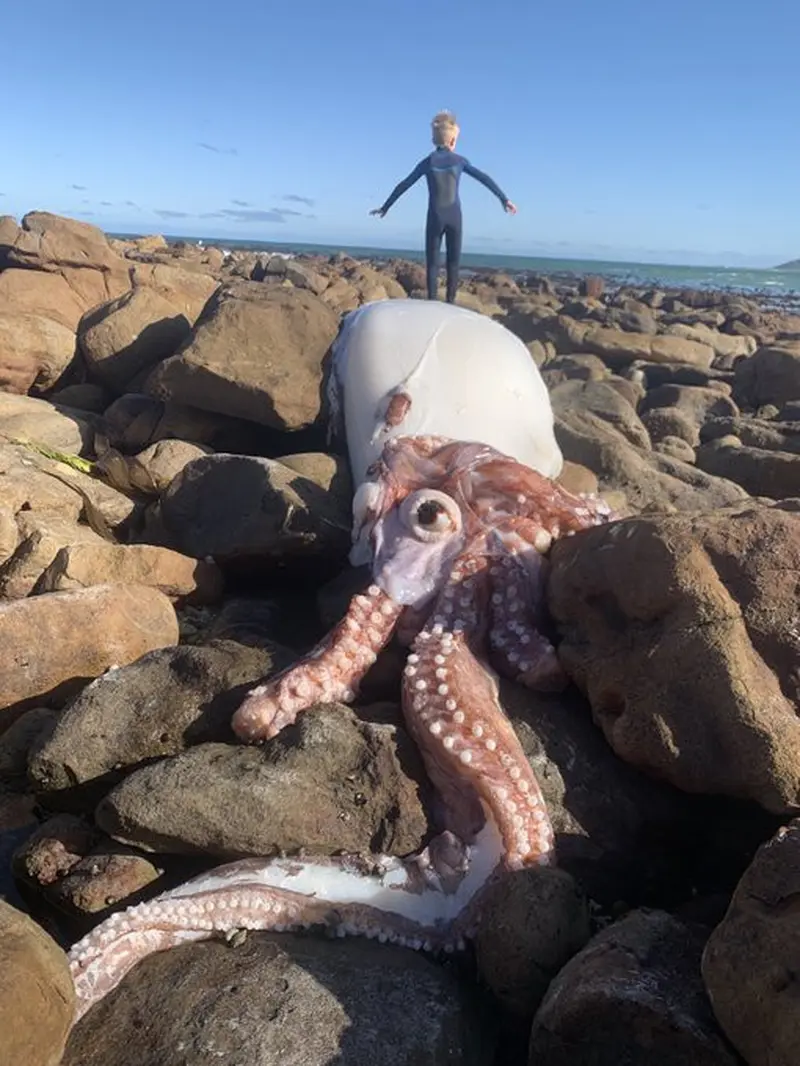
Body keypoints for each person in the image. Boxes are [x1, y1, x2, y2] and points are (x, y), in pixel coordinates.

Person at [370, 110, 517, 303]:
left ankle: (432, 303)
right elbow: (484, 178)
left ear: (433, 140)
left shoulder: (427, 162)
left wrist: (386, 206)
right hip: (455, 216)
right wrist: (503, 199)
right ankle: (450, 303)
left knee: (432, 264)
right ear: (454, 140)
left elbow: (404, 184)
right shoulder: (460, 161)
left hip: (435, 216)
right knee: (453, 263)